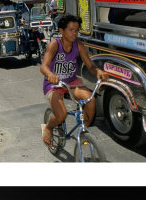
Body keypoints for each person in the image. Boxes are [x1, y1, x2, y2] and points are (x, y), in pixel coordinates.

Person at [40, 14, 109, 147]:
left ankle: (83, 132)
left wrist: (98, 71)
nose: (75, 33)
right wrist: (50, 75)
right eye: (71, 30)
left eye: (76, 30)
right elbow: (43, 66)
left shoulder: (79, 46)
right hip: (54, 85)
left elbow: (90, 66)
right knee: (62, 115)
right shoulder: (54, 45)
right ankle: (49, 127)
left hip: (71, 83)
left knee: (90, 100)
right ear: (61, 31)